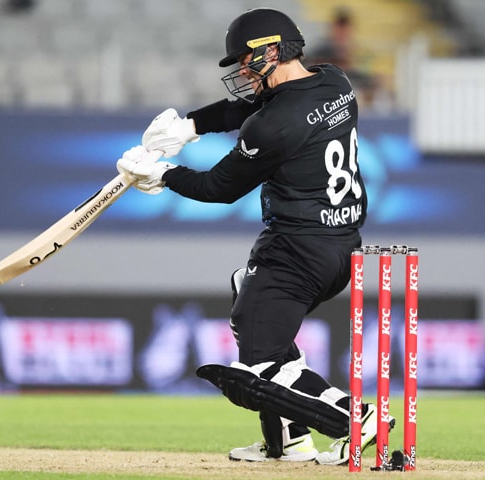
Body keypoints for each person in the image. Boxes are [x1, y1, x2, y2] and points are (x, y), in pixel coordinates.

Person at [116, 8, 379, 466]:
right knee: (247, 292)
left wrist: (162, 175)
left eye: (245, 59)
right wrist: (189, 127)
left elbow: (218, 188)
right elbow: (252, 106)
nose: (241, 69)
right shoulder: (334, 81)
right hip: (340, 247)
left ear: (272, 51)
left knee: (260, 365)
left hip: (296, 249)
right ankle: (290, 442)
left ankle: (355, 416)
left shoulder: (273, 127)